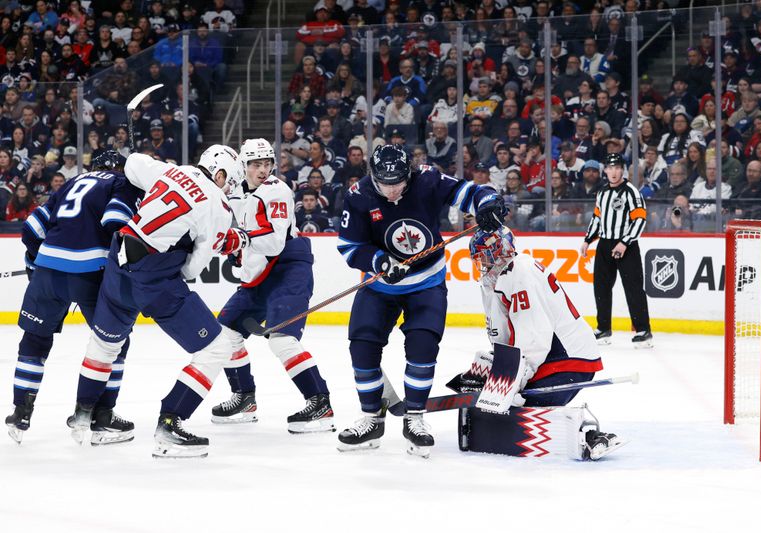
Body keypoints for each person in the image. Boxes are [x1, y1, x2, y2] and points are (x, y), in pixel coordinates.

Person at [67, 145, 247, 459]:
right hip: (153, 277)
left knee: (104, 344)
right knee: (216, 348)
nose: (229, 189)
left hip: (119, 260)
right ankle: (170, 423)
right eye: (230, 182)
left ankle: (84, 416)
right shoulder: (219, 205)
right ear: (219, 174)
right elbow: (192, 268)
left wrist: (119, 158)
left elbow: (133, 164)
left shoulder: (171, 170)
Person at [335, 144, 507, 457]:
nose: (390, 191)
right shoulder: (358, 195)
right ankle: (372, 418)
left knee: (423, 347)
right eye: (384, 184)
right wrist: (379, 262)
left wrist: (489, 202)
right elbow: (349, 246)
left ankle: (414, 417)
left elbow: (469, 192)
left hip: (426, 282)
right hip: (379, 285)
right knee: (361, 346)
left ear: (409, 175)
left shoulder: (427, 180)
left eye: (397, 184)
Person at [448, 227, 623, 460]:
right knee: (505, 406)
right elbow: (504, 336)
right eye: (478, 258)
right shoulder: (501, 278)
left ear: (502, 251)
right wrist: (496, 371)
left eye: (485, 256)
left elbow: (534, 337)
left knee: (520, 410)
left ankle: (587, 436)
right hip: (552, 357)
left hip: (568, 359)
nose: (482, 263)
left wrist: (513, 381)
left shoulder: (519, 273)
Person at [5, 151, 141, 445]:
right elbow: (117, 224)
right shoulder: (121, 183)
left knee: (35, 340)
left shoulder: (70, 182)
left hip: (48, 269)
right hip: (90, 272)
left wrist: (35, 262)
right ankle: (99, 415)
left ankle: (21, 412)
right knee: (115, 341)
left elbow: (31, 230)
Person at [210, 139, 334, 433]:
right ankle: (244, 398)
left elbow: (275, 241)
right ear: (244, 166)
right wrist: (239, 253)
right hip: (261, 272)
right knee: (225, 333)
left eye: (267, 163)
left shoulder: (276, 190)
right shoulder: (238, 191)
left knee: (282, 339)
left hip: (289, 266)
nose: (263, 170)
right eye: (256, 164)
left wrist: (240, 242)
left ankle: (320, 402)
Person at [580, 153, 652, 348]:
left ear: (622, 170)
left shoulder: (631, 192)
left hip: (626, 246)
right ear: (605, 171)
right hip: (604, 244)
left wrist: (625, 242)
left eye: (617, 167)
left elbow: (640, 219)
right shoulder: (602, 192)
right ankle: (603, 328)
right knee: (601, 287)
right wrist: (588, 240)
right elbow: (597, 218)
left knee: (633, 288)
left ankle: (643, 330)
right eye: (610, 168)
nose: (613, 172)